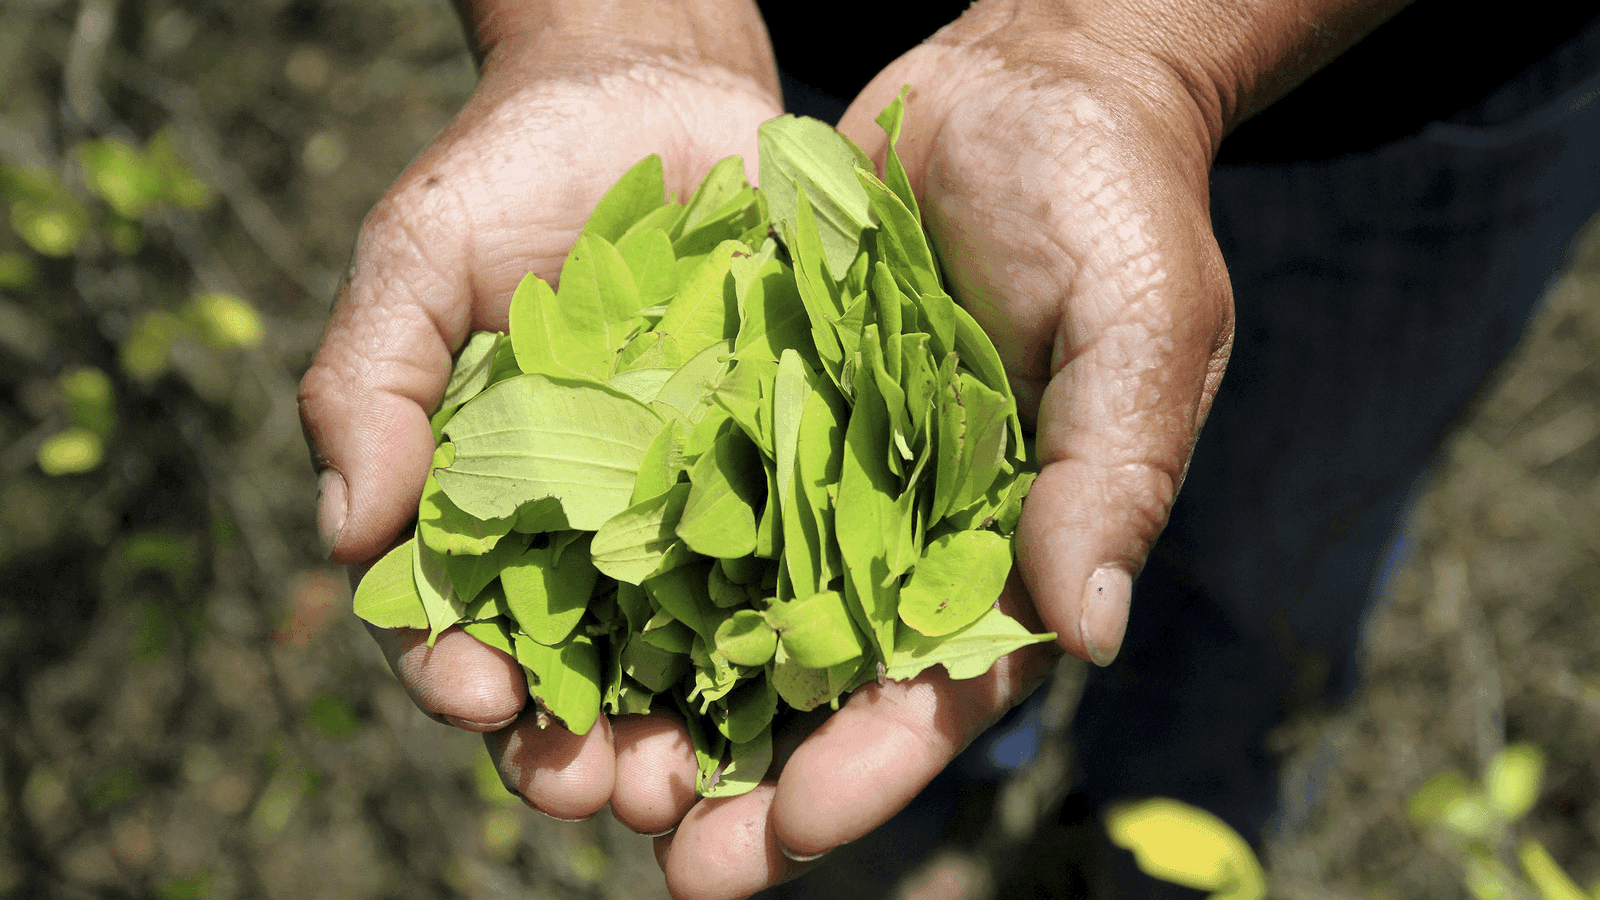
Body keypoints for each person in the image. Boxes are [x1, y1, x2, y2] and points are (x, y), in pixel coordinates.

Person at [297, 1, 1600, 897]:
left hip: (1414, 110)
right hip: (817, 73)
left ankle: (1161, 843)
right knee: (914, 717)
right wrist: (598, 22)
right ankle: (911, 843)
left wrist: (1133, 46)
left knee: (1263, 592)